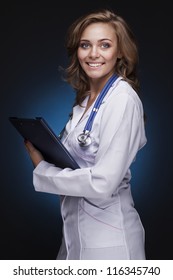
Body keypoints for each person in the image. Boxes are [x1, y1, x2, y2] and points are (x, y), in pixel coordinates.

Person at [24, 8, 147, 260]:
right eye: (85, 45)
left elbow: (103, 182)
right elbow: (77, 162)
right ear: (76, 51)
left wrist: (42, 168)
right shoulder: (86, 100)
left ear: (120, 51)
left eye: (104, 45)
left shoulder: (122, 99)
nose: (93, 54)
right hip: (73, 238)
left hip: (110, 244)